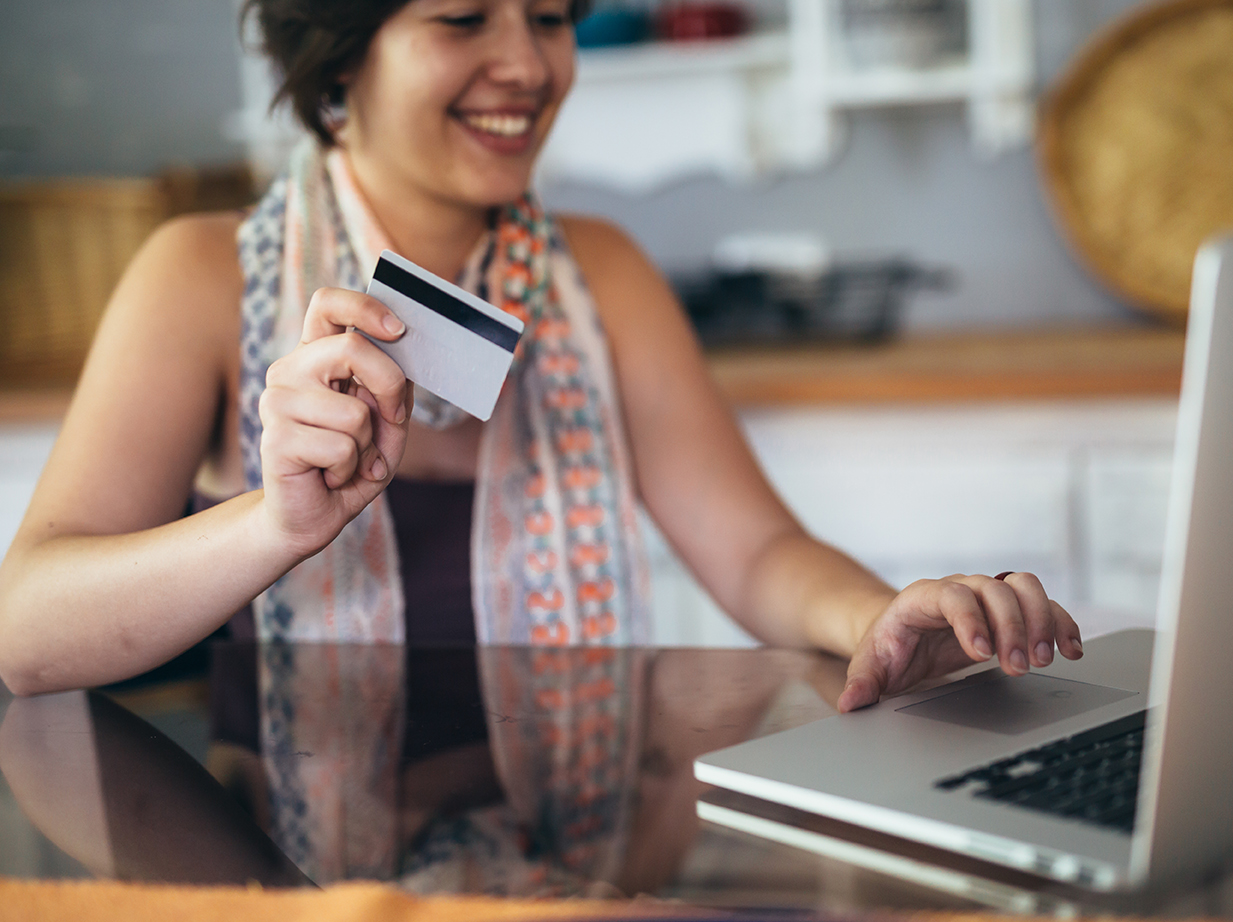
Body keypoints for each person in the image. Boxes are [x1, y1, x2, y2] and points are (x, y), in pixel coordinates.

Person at [0, 0, 1083, 706]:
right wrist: (271, 523)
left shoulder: (601, 272)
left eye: (554, 17)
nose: (526, 63)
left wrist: (876, 620)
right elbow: (25, 630)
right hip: (295, 871)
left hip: (583, 850)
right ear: (338, 51)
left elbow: (753, 553)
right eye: (464, 17)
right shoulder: (198, 278)